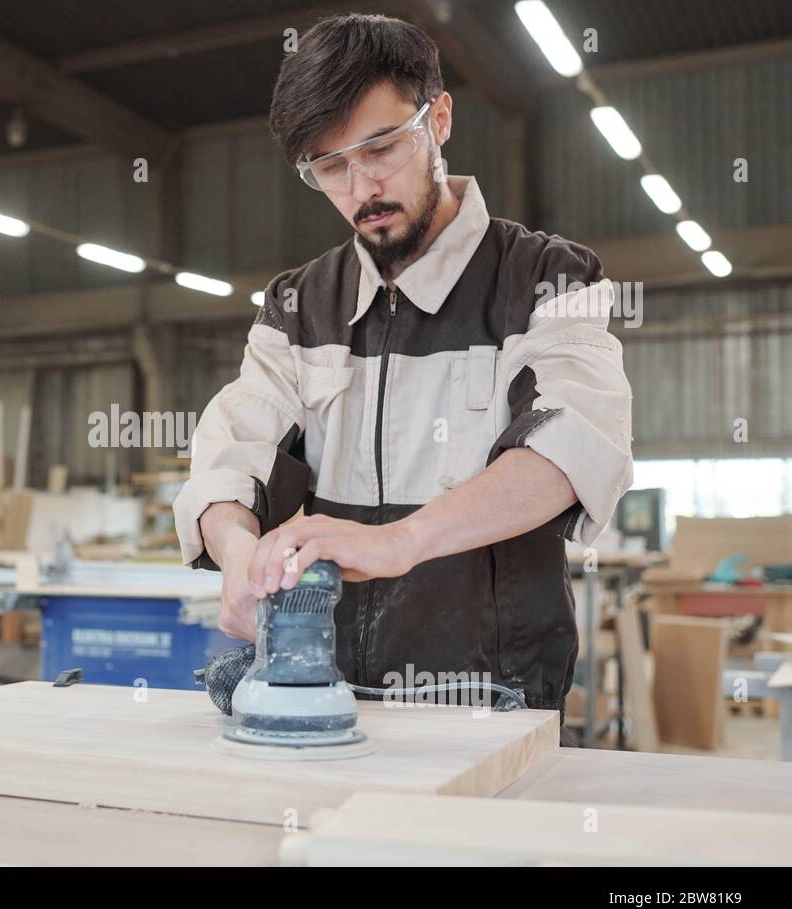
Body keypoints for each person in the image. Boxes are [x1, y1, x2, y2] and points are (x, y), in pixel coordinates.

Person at [173, 14, 633, 720]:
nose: (362, 189)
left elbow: (573, 446)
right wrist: (236, 551)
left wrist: (400, 542)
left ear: (438, 119)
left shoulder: (544, 278)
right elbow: (232, 451)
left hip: (496, 701)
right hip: (327, 700)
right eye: (330, 167)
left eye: (381, 147)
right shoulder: (298, 308)